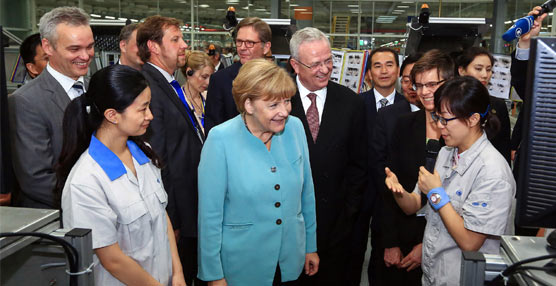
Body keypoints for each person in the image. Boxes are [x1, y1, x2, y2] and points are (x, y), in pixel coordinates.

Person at [56, 65, 186, 286]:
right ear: (112, 115)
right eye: (143, 109)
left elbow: (161, 217)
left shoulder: (142, 153)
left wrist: (178, 274)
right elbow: (112, 260)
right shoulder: (86, 180)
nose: (150, 115)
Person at [198, 59, 318, 286]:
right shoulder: (220, 139)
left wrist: (310, 246)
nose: (284, 111)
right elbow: (209, 215)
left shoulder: (295, 129)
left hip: (290, 260)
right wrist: (213, 274)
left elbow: (307, 194)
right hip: (242, 265)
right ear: (249, 105)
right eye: (273, 105)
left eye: (287, 101)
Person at [385, 76, 515, 286]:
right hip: (434, 275)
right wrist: (398, 191)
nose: (439, 126)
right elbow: (414, 205)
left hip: (466, 278)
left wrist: (437, 194)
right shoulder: (446, 153)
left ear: (473, 119)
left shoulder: (492, 172)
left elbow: (470, 242)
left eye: (446, 119)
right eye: (437, 118)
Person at [288, 27, 367, 286]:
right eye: (315, 64)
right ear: (295, 65)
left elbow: (359, 165)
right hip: (289, 227)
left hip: (337, 228)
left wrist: (348, 212)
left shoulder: (350, 103)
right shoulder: (278, 100)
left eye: (329, 60)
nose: (325, 69)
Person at [137, 15, 204, 286]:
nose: (184, 45)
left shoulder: (169, 83)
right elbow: (158, 158)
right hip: (176, 211)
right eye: (175, 39)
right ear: (154, 46)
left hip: (188, 204)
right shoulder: (149, 86)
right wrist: (171, 220)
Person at [9, 6, 94, 208]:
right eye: (74, 49)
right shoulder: (26, 101)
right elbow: (36, 179)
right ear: (47, 47)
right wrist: (93, 203)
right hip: (59, 217)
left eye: (90, 46)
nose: (85, 55)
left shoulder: (95, 89)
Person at [351, 47, 405, 286]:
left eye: (389, 64)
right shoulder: (354, 105)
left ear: (398, 70)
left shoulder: (409, 108)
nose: (384, 71)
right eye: (377, 66)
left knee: (386, 259)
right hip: (360, 194)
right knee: (352, 254)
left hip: (393, 196)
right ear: (369, 73)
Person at [204, 17, 271, 133]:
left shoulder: (280, 80)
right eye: (239, 42)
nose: (242, 48)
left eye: (250, 43)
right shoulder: (220, 80)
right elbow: (212, 128)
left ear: (266, 47)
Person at [456, 47, 512, 164]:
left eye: (488, 69)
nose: (485, 75)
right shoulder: (450, 103)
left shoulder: (498, 105)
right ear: (461, 70)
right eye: (478, 68)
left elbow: (504, 148)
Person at [180, 50, 215, 135]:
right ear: (189, 72)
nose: (208, 82)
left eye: (210, 77)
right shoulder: (178, 99)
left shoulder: (209, 97)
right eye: (204, 77)